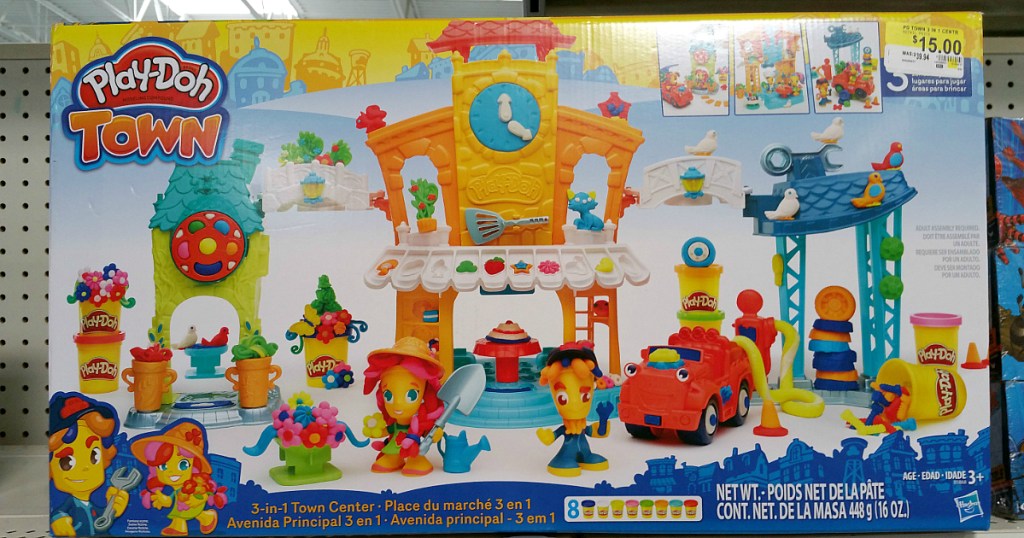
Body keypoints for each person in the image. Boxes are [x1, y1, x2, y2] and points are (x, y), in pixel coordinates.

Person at [49, 392, 130, 537]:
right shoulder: (71, 504)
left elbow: (101, 520)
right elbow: (59, 512)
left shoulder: (92, 507)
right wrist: (59, 520)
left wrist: (113, 510)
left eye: (94, 456)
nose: (85, 467)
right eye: (67, 462)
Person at [362, 336, 445, 476]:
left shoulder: (420, 421)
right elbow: (389, 430)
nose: (398, 404)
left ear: (424, 393)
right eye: (388, 395)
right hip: (395, 443)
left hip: (414, 448)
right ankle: (394, 458)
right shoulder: (394, 422)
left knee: (415, 453)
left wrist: (435, 433)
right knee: (392, 448)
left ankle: (416, 460)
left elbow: (428, 433)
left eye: (411, 395)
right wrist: (378, 431)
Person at [131, 419, 226, 536]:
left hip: (193, 500)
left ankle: (180, 527)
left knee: (180, 513)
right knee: (183, 510)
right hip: (182, 502)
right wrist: (165, 500)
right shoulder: (176, 489)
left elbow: (206, 493)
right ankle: (207, 517)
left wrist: (198, 499)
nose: (171, 471)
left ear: (195, 465)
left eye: (183, 465)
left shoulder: (196, 483)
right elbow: (170, 499)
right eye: (163, 466)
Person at [537, 341, 614, 477]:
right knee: (566, 461)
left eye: (585, 396)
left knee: (592, 458)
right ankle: (562, 460)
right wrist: (547, 436)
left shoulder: (583, 427)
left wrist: (603, 419)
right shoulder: (566, 429)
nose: (574, 403)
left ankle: (586, 456)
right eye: (562, 398)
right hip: (564, 456)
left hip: (585, 453)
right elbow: (553, 436)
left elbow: (599, 432)